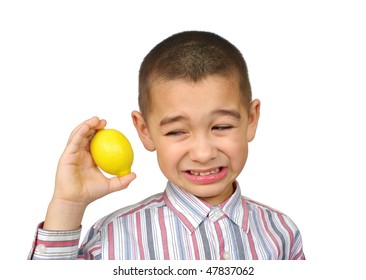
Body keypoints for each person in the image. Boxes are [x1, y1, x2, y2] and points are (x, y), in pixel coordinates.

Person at [28, 30, 305, 260]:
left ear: (251, 119)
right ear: (145, 131)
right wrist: (68, 204)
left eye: (221, 127)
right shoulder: (112, 239)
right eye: (176, 132)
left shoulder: (282, 233)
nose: (203, 152)